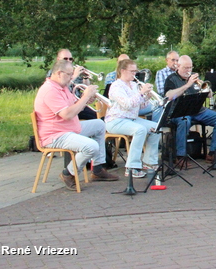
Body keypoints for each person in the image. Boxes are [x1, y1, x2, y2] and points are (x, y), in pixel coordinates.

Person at [34, 60, 119, 190]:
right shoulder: (50, 90)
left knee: (99, 124)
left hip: (68, 129)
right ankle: (68, 173)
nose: (71, 78)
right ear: (58, 73)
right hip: (55, 135)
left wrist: (87, 100)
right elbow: (67, 114)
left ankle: (97, 168)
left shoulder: (62, 88)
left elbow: (75, 106)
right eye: (69, 75)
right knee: (91, 146)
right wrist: (85, 97)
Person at [164, 55, 216, 167]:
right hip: (179, 112)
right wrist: (188, 84)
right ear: (178, 66)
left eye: (190, 67)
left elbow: (209, 95)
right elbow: (168, 96)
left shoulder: (195, 80)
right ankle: (180, 156)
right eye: (186, 68)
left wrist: (206, 89)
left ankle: (213, 153)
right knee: (184, 121)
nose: (188, 70)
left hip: (197, 110)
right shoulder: (171, 79)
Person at [105, 59, 160, 178]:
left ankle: (149, 162)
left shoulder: (134, 85)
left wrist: (147, 96)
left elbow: (140, 106)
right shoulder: (116, 86)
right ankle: (132, 167)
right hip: (116, 120)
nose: (134, 74)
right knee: (140, 130)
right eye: (132, 71)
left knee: (156, 128)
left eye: (136, 71)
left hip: (131, 119)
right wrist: (141, 94)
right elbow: (127, 104)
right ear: (122, 71)